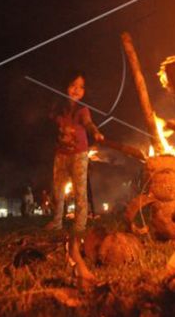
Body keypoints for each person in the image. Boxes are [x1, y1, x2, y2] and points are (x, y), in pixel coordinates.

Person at [45, 71, 103, 233]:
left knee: (80, 190)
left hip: (79, 154)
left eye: (81, 87)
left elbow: (89, 123)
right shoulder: (58, 109)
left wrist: (95, 132)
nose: (77, 90)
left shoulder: (83, 109)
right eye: (73, 85)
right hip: (61, 153)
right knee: (57, 190)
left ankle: (79, 225)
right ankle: (57, 221)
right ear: (65, 86)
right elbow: (50, 124)